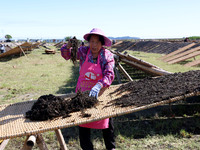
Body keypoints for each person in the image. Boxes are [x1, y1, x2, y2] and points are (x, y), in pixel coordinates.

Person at [61, 28, 115, 150]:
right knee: (84, 124)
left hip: (100, 94)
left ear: (102, 43)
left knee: (107, 125)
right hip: (83, 94)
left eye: (97, 42)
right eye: (92, 41)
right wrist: (69, 45)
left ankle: (111, 148)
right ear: (88, 42)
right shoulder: (83, 52)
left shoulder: (107, 55)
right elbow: (66, 55)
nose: (94, 45)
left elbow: (110, 74)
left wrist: (99, 85)